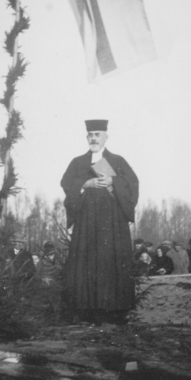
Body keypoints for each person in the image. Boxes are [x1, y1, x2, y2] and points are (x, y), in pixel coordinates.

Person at [61, 120, 139, 324]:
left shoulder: (118, 160)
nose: (93, 138)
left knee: (110, 260)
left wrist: (114, 182)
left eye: (97, 134)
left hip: (112, 223)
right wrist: (85, 183)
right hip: (86, 222)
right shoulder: (78, 162)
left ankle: (115, 311)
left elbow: (132, 184)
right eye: (90, 135)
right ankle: (86, 311)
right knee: (86, 262)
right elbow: (66, 183)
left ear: (106, 137)